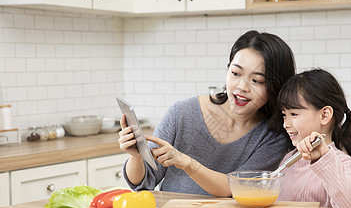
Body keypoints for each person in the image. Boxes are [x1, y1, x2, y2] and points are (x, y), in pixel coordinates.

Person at [118, 30, 296, 197]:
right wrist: (136, 156)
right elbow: (144, 182)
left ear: (275, 87)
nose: (242, 86)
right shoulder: (182, 113)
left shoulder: (273, 136)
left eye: (257, 80)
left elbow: (237, 188)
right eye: (235, 73)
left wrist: (185, 162)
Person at [276, 68, 351, 208]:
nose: (286, 124)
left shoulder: (344, 164)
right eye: (284, 115)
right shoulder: (288, 160)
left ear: (324, 115)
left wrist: (324, 156)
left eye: (293, 114)